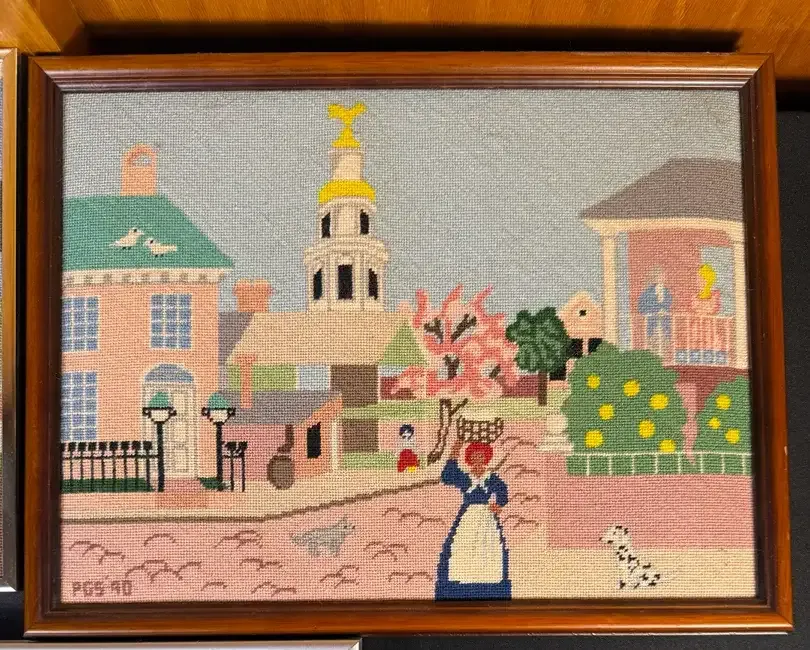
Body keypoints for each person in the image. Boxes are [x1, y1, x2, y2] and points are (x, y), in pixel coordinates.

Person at [434, 436, 511, 600]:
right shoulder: (465, 477)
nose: (478, 459)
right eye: (474, 456)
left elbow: (503, 490)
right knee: (464, 542)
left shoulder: (490, 477)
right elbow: (447, 476)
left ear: (486, 457)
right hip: (469, 514)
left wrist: (499, 505)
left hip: (486, 516)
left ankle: (487, 575)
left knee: (487, 544)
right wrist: (456, 448)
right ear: (469, 458)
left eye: (481, 456)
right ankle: (463, 574)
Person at [637, 267, 673, 347]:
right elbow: (641, 307)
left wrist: (664, 311)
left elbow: (668, 304)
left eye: (663, 276)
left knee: (665, 345)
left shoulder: (666, 292)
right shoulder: (647, 292)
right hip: (652, 324)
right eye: (660, 276)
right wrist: (654, 312)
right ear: (654, 278)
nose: (662, 278)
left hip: (664, 325)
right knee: (652, 345)